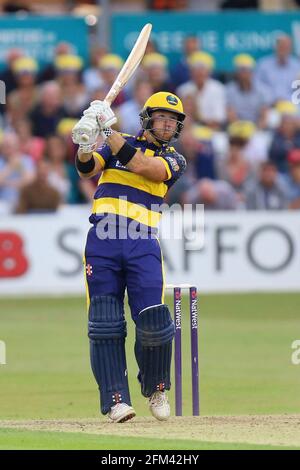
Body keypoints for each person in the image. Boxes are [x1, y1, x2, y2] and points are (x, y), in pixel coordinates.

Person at [72, 91, 187, 423]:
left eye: (173, 121)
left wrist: (108, 130)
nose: (167, 125)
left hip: (142, 241)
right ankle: (115, 400)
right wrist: (84, 142)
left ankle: (155, 387)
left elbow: (146, 167)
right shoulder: (116, 145)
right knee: (105, 323)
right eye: (162, 117)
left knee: (153, 320)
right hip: (103, 240)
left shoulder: (175, 159)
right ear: (148, 118)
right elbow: (87, 169)